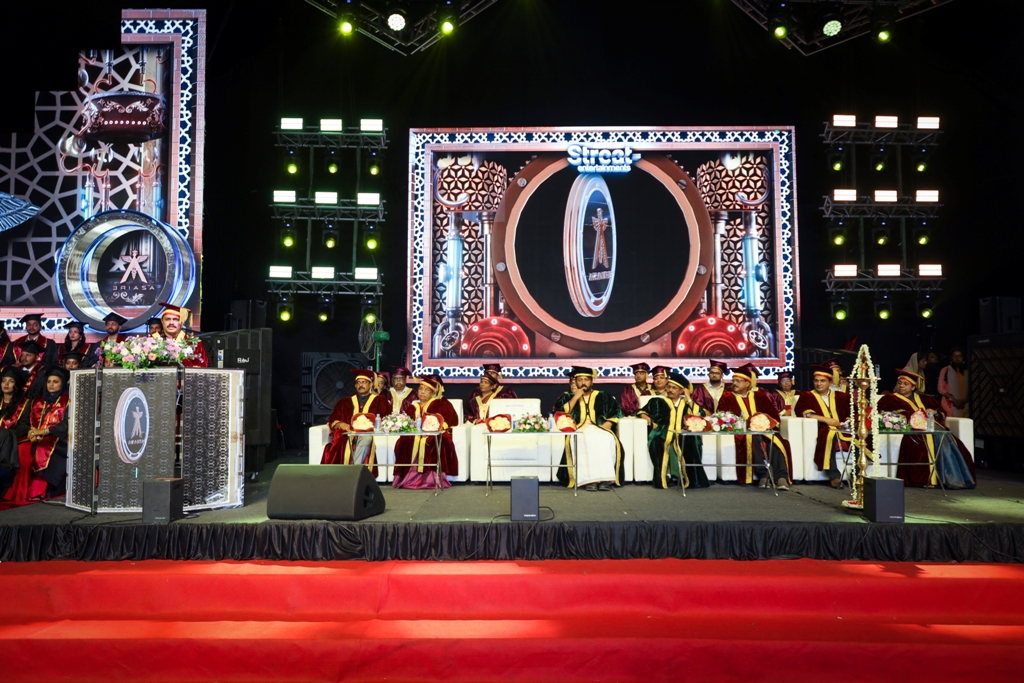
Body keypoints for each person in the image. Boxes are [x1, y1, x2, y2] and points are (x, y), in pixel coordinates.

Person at [878, 369, 975, 489]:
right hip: (911, 429)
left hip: (932, 426)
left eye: (905, 384)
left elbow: (941, 412)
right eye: (899, 383)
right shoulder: (889, 399)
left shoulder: (925, 399)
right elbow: (882, 414)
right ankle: (926, 479)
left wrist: (934, 412)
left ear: (913, 387)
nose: (901, 386)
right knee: (920, 442)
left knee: (947, 438)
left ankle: (949, 479)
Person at [717, 363, 793, 490]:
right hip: (742, 433)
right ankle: (764, 475)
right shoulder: (727, 397)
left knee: (778, 441)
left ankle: (781, 477)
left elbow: (773, 415)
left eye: (738, 381)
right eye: (733, 380)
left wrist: (765, 424)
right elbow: (722, 417)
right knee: (753, 438)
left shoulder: (760, 396)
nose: (734, 383)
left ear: (747, 383)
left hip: (764, 430)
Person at [3, 367, 69, 504]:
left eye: (55, 382)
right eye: (49, 381)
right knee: (21, 448)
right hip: (37, 436)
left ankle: (37, 489)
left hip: (59, 438)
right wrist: (31, 432)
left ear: (62, 384)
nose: (51, 385)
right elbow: (26, 422)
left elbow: (65, 425)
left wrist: (44, 432)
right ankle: (16, 491)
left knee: (41, 449)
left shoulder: (68, 401)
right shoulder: (37, 401)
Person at [552, 366, 623, 491]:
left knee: (607, 439)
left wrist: (609, 422)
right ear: (575, 382)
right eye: (580, 380)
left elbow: (616, 410)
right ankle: (590, 480)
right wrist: (576, 397)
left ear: (591, 381)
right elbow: (561, 413)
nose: (583, 383)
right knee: (585, 440)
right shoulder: (568, 397)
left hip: (600, 427)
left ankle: (604, 479)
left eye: (586, 380)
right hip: (579, 428)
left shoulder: (602, 395)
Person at [636, 371, 708, 489]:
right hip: (662, 433)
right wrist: (645, 415)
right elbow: (641, 411)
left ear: (681, 391)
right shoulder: (658, 401)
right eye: (669, 387)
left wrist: (688, 398)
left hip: (683, 434)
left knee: (692, 443)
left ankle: (692, 479)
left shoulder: (686, 403)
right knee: (657, 443)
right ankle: (662, 479)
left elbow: (700, 414)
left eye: (674, 388)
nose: (670, 390)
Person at [393, 375, 460, 489]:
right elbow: (407, 423)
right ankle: (408, 477)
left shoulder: (441, 403)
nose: (422, 392)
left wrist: (437, 427)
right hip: (415, 433)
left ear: (433, 393)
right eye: (420, 389)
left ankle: (431, 479)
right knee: (404, 441)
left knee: (432, 441)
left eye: (426, 390)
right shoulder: (412, 407)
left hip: (435, 433)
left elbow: (450, 420)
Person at [321, 369, 390, 474]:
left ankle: (353, 471)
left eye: (364, 382)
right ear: (355, 385)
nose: (360, 385)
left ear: (371, 384)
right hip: (349, 433)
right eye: (358, 382)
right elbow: (333, 420)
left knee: (366, 438)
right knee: (338, 442)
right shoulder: (344, 402)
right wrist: (340, 424)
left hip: (369, 433)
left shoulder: (381, 401)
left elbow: (387, 419)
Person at [794, 363, 852, 488]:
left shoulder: (842, 396)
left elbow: (852, 413)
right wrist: (826, 420)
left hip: (844, 429)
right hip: (822, 429)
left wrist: (846, 423)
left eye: (822, 381)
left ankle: (857, 475)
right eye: (816, 381)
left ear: (830, 382)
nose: (818, 384)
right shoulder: (807, 396)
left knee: (861, 438)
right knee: (829, 435)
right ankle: (835, 477)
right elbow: (804, 413)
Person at [0, 367, 29, 501]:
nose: (6, 384)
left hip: (10, 439)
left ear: (16, 385)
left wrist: (6, 434)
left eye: (11, 381)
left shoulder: (25, 404)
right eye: (3, 381)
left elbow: (24, 425)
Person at [155, 303, 209, 368]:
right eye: (167, 319)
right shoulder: (153, 340)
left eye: (175, 319)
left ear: (182, 322)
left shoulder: (192, 342)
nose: (171, 323)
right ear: (162, 321)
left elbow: (203, 366)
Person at [938, 348, 969, 418]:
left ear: (963, 357)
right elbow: (940, 388)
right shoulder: (945, 370)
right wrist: (954, 400)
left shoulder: (968, 371)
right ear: (951, 358)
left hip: (965, 403)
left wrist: (964, 401)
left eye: (959, 356)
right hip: (949, 403)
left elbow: (972, 388)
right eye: (954, 356)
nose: (957, 358)